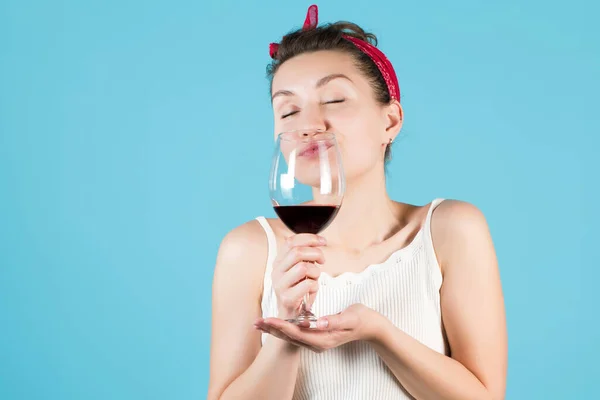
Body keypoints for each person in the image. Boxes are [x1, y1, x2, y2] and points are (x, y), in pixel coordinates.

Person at [208, 5, 507, 400]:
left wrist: (378, 332)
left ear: (390, 122)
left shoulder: (450, 230)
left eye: (334, 100)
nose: (308, 124)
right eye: (289, 109)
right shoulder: (248, 250)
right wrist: (287, 330)